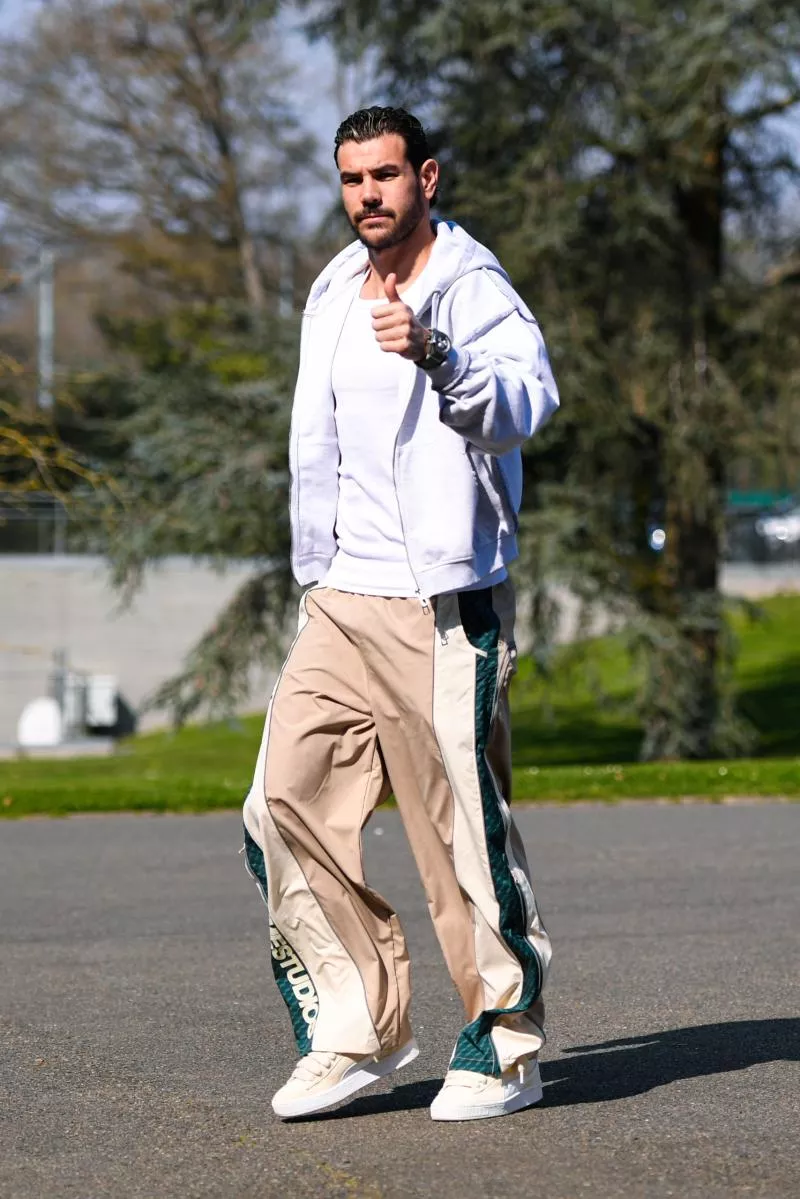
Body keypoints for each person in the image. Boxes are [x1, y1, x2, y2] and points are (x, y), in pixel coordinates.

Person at [242, 106, 559, 1122]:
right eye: (349, 179)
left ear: (426, 177)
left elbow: (527, 399)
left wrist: (438, 356)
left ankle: (506, 1046)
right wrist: (311, 575)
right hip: (338, 596)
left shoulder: (467, 284)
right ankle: (356, 1028)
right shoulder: (333, 285)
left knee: (458, 840)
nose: (366, 195)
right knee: (278, 802)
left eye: (383, 175)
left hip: (440, 603)